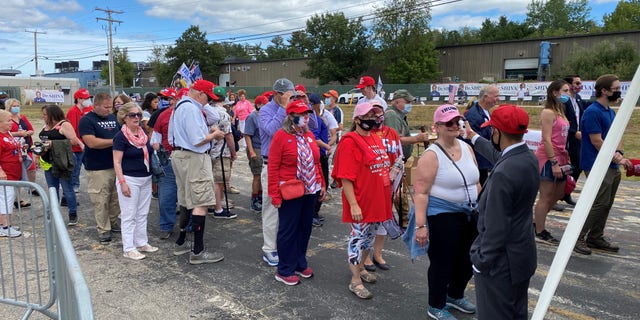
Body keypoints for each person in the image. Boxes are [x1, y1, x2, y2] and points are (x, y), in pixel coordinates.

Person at [466, 104, 539, 320]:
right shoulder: (527, 158)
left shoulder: (504, 173)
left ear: (496, 132)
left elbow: (496, 226)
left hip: (500, 263)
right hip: (522, 256)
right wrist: (473, 137)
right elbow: (500, 157)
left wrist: (481, 262)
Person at [413, 104, 479, 319]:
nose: (454, 126)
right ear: (437, 127)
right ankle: (436, 304)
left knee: (467, 259)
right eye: (448, 123)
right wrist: (421, 226)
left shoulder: (467, 147)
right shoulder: (431, 156)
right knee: (443, 261)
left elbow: (476, 181)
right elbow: (421, 193)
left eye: (457, 121)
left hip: (470, 213)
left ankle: (455, 295)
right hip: (442, 215)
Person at [331, 102, 392, 299]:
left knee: (369, 239)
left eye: (375, 116)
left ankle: (362, 269)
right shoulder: (350, 141)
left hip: (377, 201)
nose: (372, 119)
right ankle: (355, 280)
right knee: (358, 240)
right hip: (361, 202)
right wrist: (354, 204)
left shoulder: (374, 137)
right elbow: (346, 177)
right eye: (368, 116)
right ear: (357, 119)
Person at [268, 99, 325, 286]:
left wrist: (322, 183)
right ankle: (284, 269)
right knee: (288, 229)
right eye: (301, 115)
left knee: (305, 228)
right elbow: (273, 167)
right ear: (291, 117)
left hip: (310, 189)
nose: (306, 119)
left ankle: (300, 262)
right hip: (290, 190)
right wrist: (274, 194)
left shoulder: (309, 136)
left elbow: (316, 162)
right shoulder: (280, 137)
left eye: (307, 115)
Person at [168, 79, 225, 264]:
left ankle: (181, 243)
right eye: (207, 97)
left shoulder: (181, 106)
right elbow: (197, 139)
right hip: (194, 157)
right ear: (200, 93)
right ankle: (198, 251)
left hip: (181, 156)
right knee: (201, 202)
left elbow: (214, 118)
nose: (209, 101)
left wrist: (205, 106)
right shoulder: (191, 109)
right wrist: (215, 135)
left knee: (186, 200)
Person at [574, 74, 631, 255]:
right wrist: (619, 159)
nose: (618, 92)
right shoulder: (592, 112)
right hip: (596, 165)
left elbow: (616, 135)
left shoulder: (610, 112)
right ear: (604, 91)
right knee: (599, 202)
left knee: (607, 203)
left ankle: (596, 236)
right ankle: (578, 237)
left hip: (611, 165)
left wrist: (619, 154)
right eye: (615, 89)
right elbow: (597, 142)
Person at [258, 78, 296, 267]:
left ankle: (283, 244)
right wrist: (283, 107)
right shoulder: (265, 110)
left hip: (290, 166)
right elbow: (272, 130)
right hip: (271, 165)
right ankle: (269, 248)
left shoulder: (294, 108)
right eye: (287, 94)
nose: (291, 98)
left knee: (289, 209)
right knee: (272, 208)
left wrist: (301, 104)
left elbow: (311, 125)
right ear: (277, 94)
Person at [113, 102, 158, 260]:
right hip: (130, 178)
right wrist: (122, 182)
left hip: (145, 177)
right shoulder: (120, 137)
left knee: (142, 213)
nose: (137, 117)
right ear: (124, 118)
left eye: (138, 114)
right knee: (129, 214)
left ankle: (141, 242)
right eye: (132, 115)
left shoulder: (142, 134)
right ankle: (128, 247)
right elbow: (117, 161)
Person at [362, 102, 402, 272]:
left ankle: (378, 254)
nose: (377, 116)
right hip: (371, 185)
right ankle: (365, 256)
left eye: (380, 112)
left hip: (390, 185)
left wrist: (397, 176)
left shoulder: (391, 133)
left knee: (384, 221)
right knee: (369, 223)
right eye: (373, 112)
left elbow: (400, 156)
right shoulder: (365, 134)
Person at [78, 92, 122, 244]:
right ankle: (104, 229)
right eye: (105, 107)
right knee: (101, 199)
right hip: (97, 167)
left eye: (110, 107)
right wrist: (115, 141)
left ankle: (113, 221)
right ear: (95, 105)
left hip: (116, 165)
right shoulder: (86, 120)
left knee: (116, 198)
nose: (109, 110)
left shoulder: (113, 118)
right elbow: (92, 142)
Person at [533, 80, 571, 245]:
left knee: (559, 193)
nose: (568, 93)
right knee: (546, 195)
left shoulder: (561, 111)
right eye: (565, 90)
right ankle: (539, 231)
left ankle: (536, 223)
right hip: (548, 157)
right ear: (555, 93)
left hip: (562, 156)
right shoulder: (548, 112)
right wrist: (553, 162)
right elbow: (546, 139)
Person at [38, 105, 83, 225]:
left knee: (67, 188)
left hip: (62, 161)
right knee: (52, 189)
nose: (43, 117)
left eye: (45, 114)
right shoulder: (46, 126)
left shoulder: (64, 125)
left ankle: (72, 213)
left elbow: (74, 141)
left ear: (53, 114)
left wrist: (53, 143)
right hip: (48, 161)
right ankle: (54, 214)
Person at [208, 86, 238, 219]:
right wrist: (234, 152)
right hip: (221, 151)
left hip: (208, 150)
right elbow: (229, 136)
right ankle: (218, 209)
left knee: (211, 180)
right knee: (219, 181)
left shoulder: (206, 110)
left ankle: (211, 205)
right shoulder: (223, 114)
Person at [464, 85, 500, 185]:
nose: (498, 99)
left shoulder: (485, 111)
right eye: (495, 96)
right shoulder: (473, 115)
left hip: (485, 159)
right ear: (485, 97)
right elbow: (473, 140)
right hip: (478, 161)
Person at [562, 75, 588, 206]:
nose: (579, 85)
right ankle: (555, 195)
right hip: (566, 138)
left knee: (577, 166)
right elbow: (561, 121)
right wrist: (573, 132)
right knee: (564, 167)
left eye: (580, 83)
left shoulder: (577, 98)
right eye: (576, 83)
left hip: (577, 138)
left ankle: (566, 192)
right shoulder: (563, 101)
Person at [6, 98, 36, 204]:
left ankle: (31, 188)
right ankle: (16, 200)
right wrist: (18, 134)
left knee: (31, 168)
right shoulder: (7, 118)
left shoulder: (22, 117)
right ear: (9, 107)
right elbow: (4, 133)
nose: (16, 107)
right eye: (14, 106)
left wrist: (26, 133)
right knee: (16, 173)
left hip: (25, 147)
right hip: (13, 149)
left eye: (17, 105)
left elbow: (32, 130)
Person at [384, 89, 428, 160]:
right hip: (395, 161)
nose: (410, 105)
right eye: (407, 102)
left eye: (410, 102)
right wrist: (416, 138)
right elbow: (395, 141)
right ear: (397, 102)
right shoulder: (392, 116)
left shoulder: (399, 115)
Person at [0, 110, 23, 238]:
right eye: (8, 121)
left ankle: (4, 224)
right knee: (6, 200)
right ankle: (5, 227)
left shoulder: (7, 133)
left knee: (7, 198)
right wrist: (0, 170)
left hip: (14, 172)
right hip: (6, 174)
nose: (11, 123)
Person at [243, 95, 267, 212]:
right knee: (257, 175)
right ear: (258, 105)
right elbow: (247, 135)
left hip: (263, 148)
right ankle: (254, 200)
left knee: (263, 175)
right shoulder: (252, 117)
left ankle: (261, 197)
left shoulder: (265, 117)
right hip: (256, 148)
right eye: (264, 104)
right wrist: (252, 151)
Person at [67, 88, 93, 193]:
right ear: (79, 99)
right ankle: (74, 186)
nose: (88, 100)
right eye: (85, 98)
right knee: (75, 169)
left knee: (91, 166)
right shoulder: (73, 112)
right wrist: (80, 143)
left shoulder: (89, 109)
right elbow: (72, 132)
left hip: (88, 145)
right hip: (76, 147)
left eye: (88, 98)